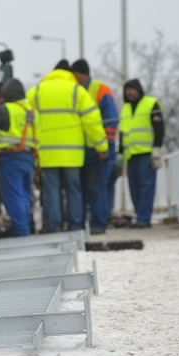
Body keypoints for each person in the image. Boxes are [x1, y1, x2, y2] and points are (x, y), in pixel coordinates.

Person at [27, 61, 109, 233]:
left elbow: (26, 122)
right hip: (73, 154)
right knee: (74, 191)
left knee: (51, 191)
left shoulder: (36, 91)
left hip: (46, 154)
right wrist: (101, 146)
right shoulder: (77, 91)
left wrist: (31, 148)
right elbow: (92, 121)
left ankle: (54, 226)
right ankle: (75, 226)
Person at [0, 79, 38, 236]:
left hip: (11, 159)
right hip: (29, 158)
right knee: (25, 196)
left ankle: (21, 231)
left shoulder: (5, 110)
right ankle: (26, 227)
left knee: (13, 196)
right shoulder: (31, 112)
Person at [71, 59, 118, 235]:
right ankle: (83, 225)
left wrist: (105, 146)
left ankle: (99, 223)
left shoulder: (100, 89)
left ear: (80, 73)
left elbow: (111, 119)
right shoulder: (75, 90)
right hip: (80, 150)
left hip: (98, 150)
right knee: (81, 190)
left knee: (96, 188)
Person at [118, 79, 165, 228]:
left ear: (139, 90)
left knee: (146, 187)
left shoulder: (151, 103)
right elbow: (122, 133)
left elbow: (159, 127)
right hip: (131, 155)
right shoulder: (125, 108)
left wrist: (156, 148)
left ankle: (144, 219)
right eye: (127, 89)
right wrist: (120, 152)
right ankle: (140, 216)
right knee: (134, 188)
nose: (129, 92)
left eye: (132, 89)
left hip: (146, 153)